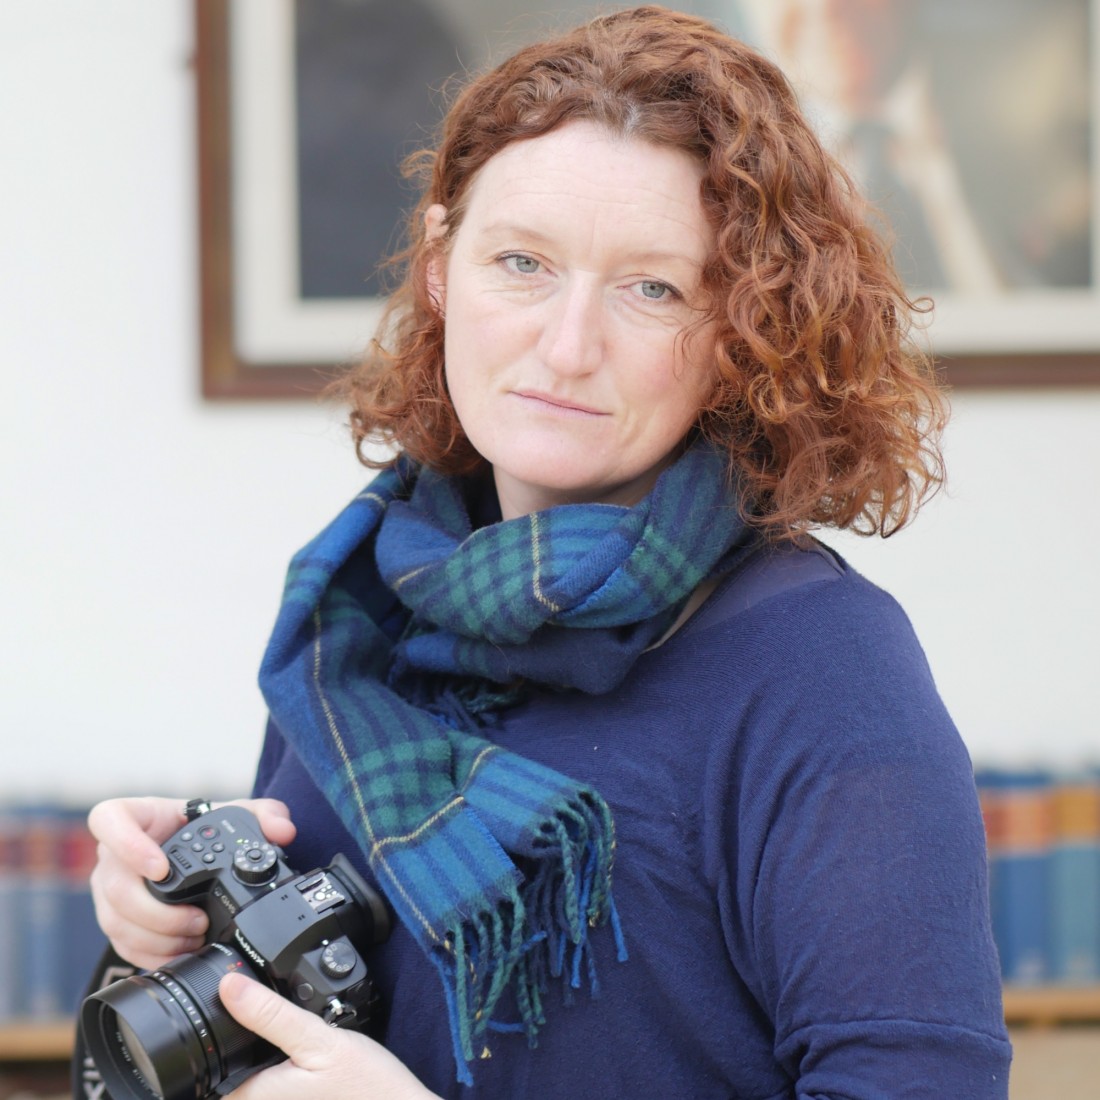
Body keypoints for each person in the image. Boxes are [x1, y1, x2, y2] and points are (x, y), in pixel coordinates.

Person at [87, 7, 1012, 1098]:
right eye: (521, 262)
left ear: (741, 329)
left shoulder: (821, 666)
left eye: (652, 289)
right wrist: (161, 933)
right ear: (441, 265)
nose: (567, 348)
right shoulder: (355, 618)